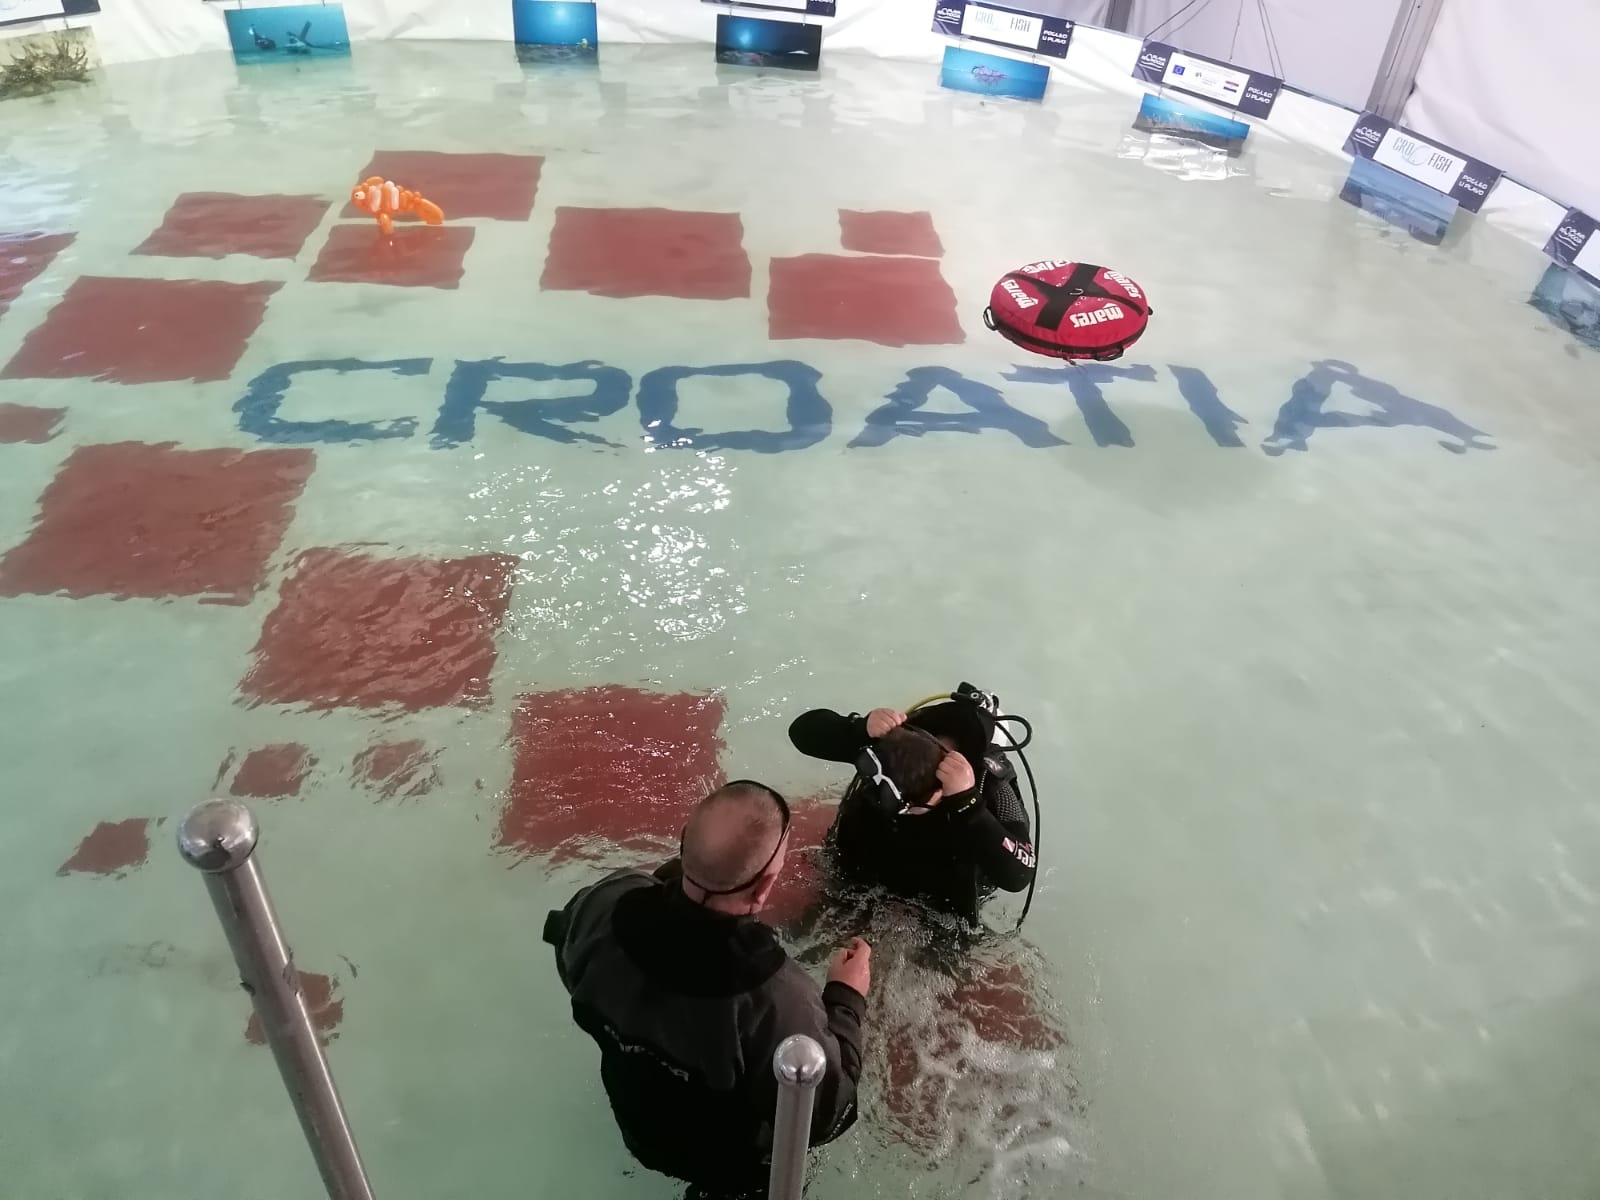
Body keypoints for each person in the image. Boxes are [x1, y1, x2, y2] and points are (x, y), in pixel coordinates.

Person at [543, 780, 871, 1199]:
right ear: (764, 886)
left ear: (684, 844)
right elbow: (826, 1117)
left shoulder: (605, 902)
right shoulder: (776, 998)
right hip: (731, 1168)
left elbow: (568, 959)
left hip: (641, 1132)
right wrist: (846, 997)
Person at [788, 686, 1037, 926]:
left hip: (937, 899)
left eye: (905, 804)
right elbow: (800, 731)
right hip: (860, 865)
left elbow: (1020, 875)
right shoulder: (888, 745)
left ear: (942, 791)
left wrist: (968, 805)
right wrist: (857, 729)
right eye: (881, 789)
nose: (892, 809)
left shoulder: (990, 788)